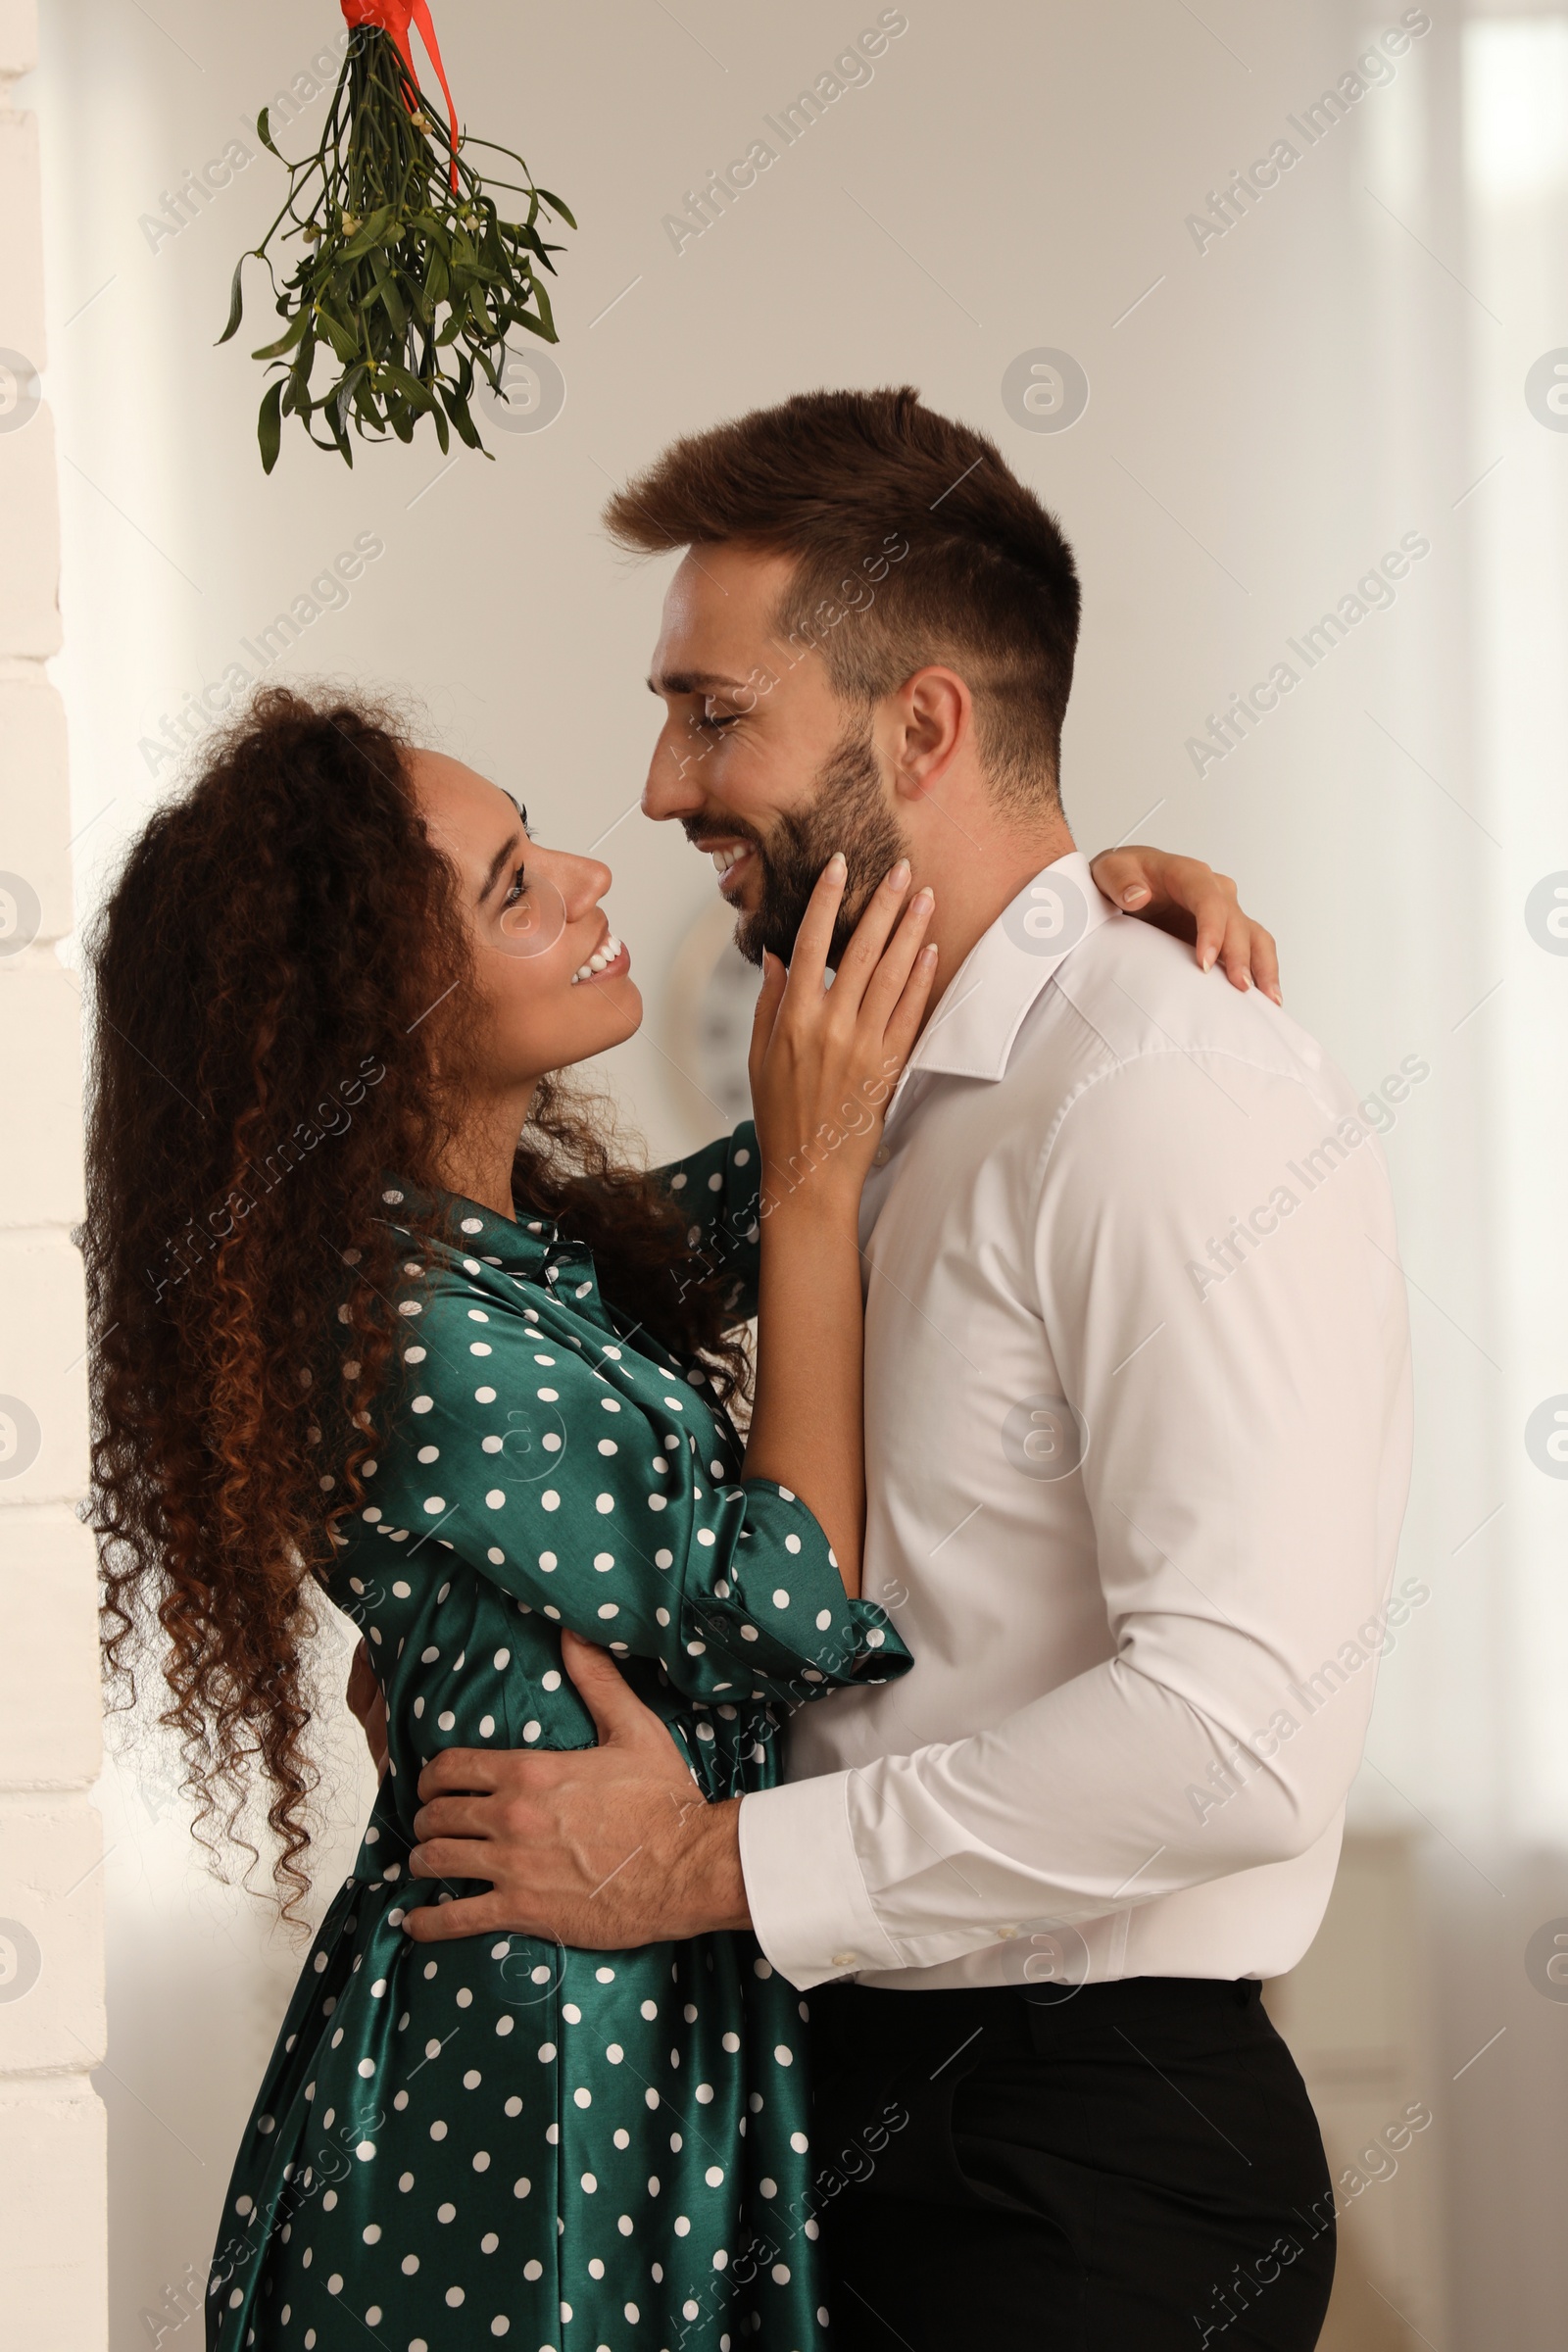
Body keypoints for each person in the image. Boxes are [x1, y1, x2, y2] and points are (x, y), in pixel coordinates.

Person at [403, 388, 1413, 2350]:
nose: (659, 782)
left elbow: (1231, 1731)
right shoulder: (858, 1092)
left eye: (714, 713)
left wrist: (703, 1863)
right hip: (850, 2116)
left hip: (1070, 2176)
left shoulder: (1161, 1087)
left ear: (922, 727)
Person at [82, 682, 1258, 2350]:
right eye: (510, 887)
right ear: (372, 1016)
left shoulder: (496, 1254)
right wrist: (815, 1181)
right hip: (540, 2066)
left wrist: (1068, 918)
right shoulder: (412, 1336)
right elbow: (786, 1599)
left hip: (627, 2004)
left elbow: (809, 1142)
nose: (584, 875)